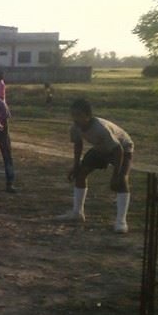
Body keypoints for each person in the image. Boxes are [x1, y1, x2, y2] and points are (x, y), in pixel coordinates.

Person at [57, 98, 134, 233]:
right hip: (100, 149)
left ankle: (121, 221)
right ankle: (77, 212)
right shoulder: (75, 128)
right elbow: (78, 144)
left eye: (79, 116)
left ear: (88, 116)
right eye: (73, 115)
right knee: (80, 173)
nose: (75, 119)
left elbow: (118, 150)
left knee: (121, 180)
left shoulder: (100, 128)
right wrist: (76, 165)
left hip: (122, 148)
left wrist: (115, 174)